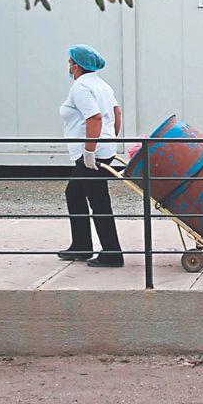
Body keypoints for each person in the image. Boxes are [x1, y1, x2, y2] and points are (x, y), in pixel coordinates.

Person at [58, 44, 124, 267]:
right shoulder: (102, 85)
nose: (68, 66)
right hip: (102, 150)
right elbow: (116, 113)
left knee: (98, 201)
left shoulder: (81, 86)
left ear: (76, 65)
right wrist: (109, 141)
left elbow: (94, 118)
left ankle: (112, 253)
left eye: (69, 62)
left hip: (91, 154)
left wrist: (90, 150)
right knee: (74, 194)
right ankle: (81, 245)